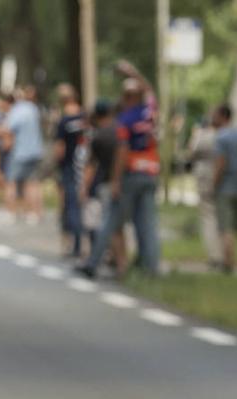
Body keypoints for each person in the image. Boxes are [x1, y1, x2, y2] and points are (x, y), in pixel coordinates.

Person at [77, 60, 161, 278]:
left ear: (126, 98)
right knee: (147, 224)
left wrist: (116, 180)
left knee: (111, 221)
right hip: (151, 171)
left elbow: (122, 151)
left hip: (131, 172)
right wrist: (134, 71)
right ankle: (151, 268)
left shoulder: (125, 119)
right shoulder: (149, 113)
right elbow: (150, 90)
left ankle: (92, 263)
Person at [81, 99, 126, 272]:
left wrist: (84, 188)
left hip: (107, 183)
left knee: (108, 225)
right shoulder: (121, 130)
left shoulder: (99, 136)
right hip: (123, 183)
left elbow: (91, 166)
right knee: (118, 226)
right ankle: (119, 261)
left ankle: (100, 262)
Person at [211, 104, 237, 275]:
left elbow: (221, 162)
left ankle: (228, 264)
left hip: (225, 187)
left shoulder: (221, 137)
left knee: (226, 228)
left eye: (215, 114)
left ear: (222, 116)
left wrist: (214, 183)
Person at [2, 86, 44, 225]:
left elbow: (8, 130)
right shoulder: (33, 109)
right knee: (33, 183)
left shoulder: (17, 111)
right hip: (35, 151)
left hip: (20, 152)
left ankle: (10, 212)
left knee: (11, 182)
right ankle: (34, 213)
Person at [53, 84, 86, 258]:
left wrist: (55, 163)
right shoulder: (84, 117)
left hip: (68, 167)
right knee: (82, 205)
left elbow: (60, 149)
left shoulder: (64, 121)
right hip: (84, 166)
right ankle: (83, 244)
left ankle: (71, 244)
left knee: (68, 206)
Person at [184, 114, 222, 267]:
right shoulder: (221, 135)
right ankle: (224, 253)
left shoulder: (201, 136)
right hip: (220, 177)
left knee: (208, 216)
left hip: (204, 177)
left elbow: (191, 152)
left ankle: (215, 255)